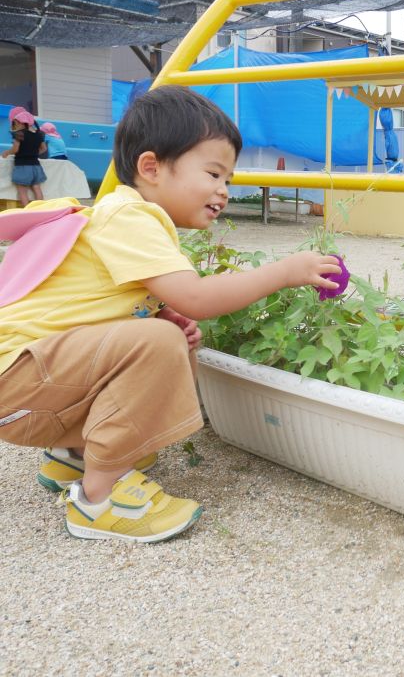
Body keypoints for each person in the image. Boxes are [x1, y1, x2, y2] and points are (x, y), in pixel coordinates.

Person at [0, 85, 344, 543]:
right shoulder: (129, 216)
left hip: (28, 382)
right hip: (19, 384)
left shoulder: (122, 218)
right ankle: (100, 500)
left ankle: (75, 454)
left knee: (168, 334)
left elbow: (96, 314)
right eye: (214, 173)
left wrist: (159, 317)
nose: (223, 191)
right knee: (161, 341)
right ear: (151, 167)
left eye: (229, 180)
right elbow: (197, 298)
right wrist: (282, 272)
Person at [2, 109, 48, 206]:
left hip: (23, 166)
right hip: (36, 167)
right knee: (36, 188)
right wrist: (33, 153)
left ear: (20, 122)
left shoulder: (19, 133)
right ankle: (41, 209)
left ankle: (27, 212)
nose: (16, 125)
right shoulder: (39, 134)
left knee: (22, 191)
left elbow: (15, 149)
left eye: (16, 123)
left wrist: (7, 152)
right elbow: (43, 148)